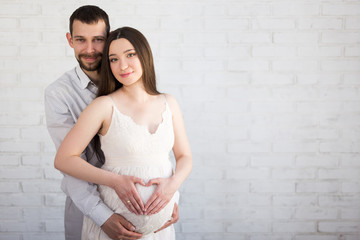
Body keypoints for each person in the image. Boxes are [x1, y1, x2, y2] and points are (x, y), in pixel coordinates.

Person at [45, 6, 178, 240]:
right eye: (80, 40)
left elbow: (155, 151)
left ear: (109, 39)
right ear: (70, 40)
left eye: (97, 40)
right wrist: (102, 216)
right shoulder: (60, 93)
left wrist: (170, 197)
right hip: (88, 208)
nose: (89, 49)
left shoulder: (128, 77)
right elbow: (69, 162)